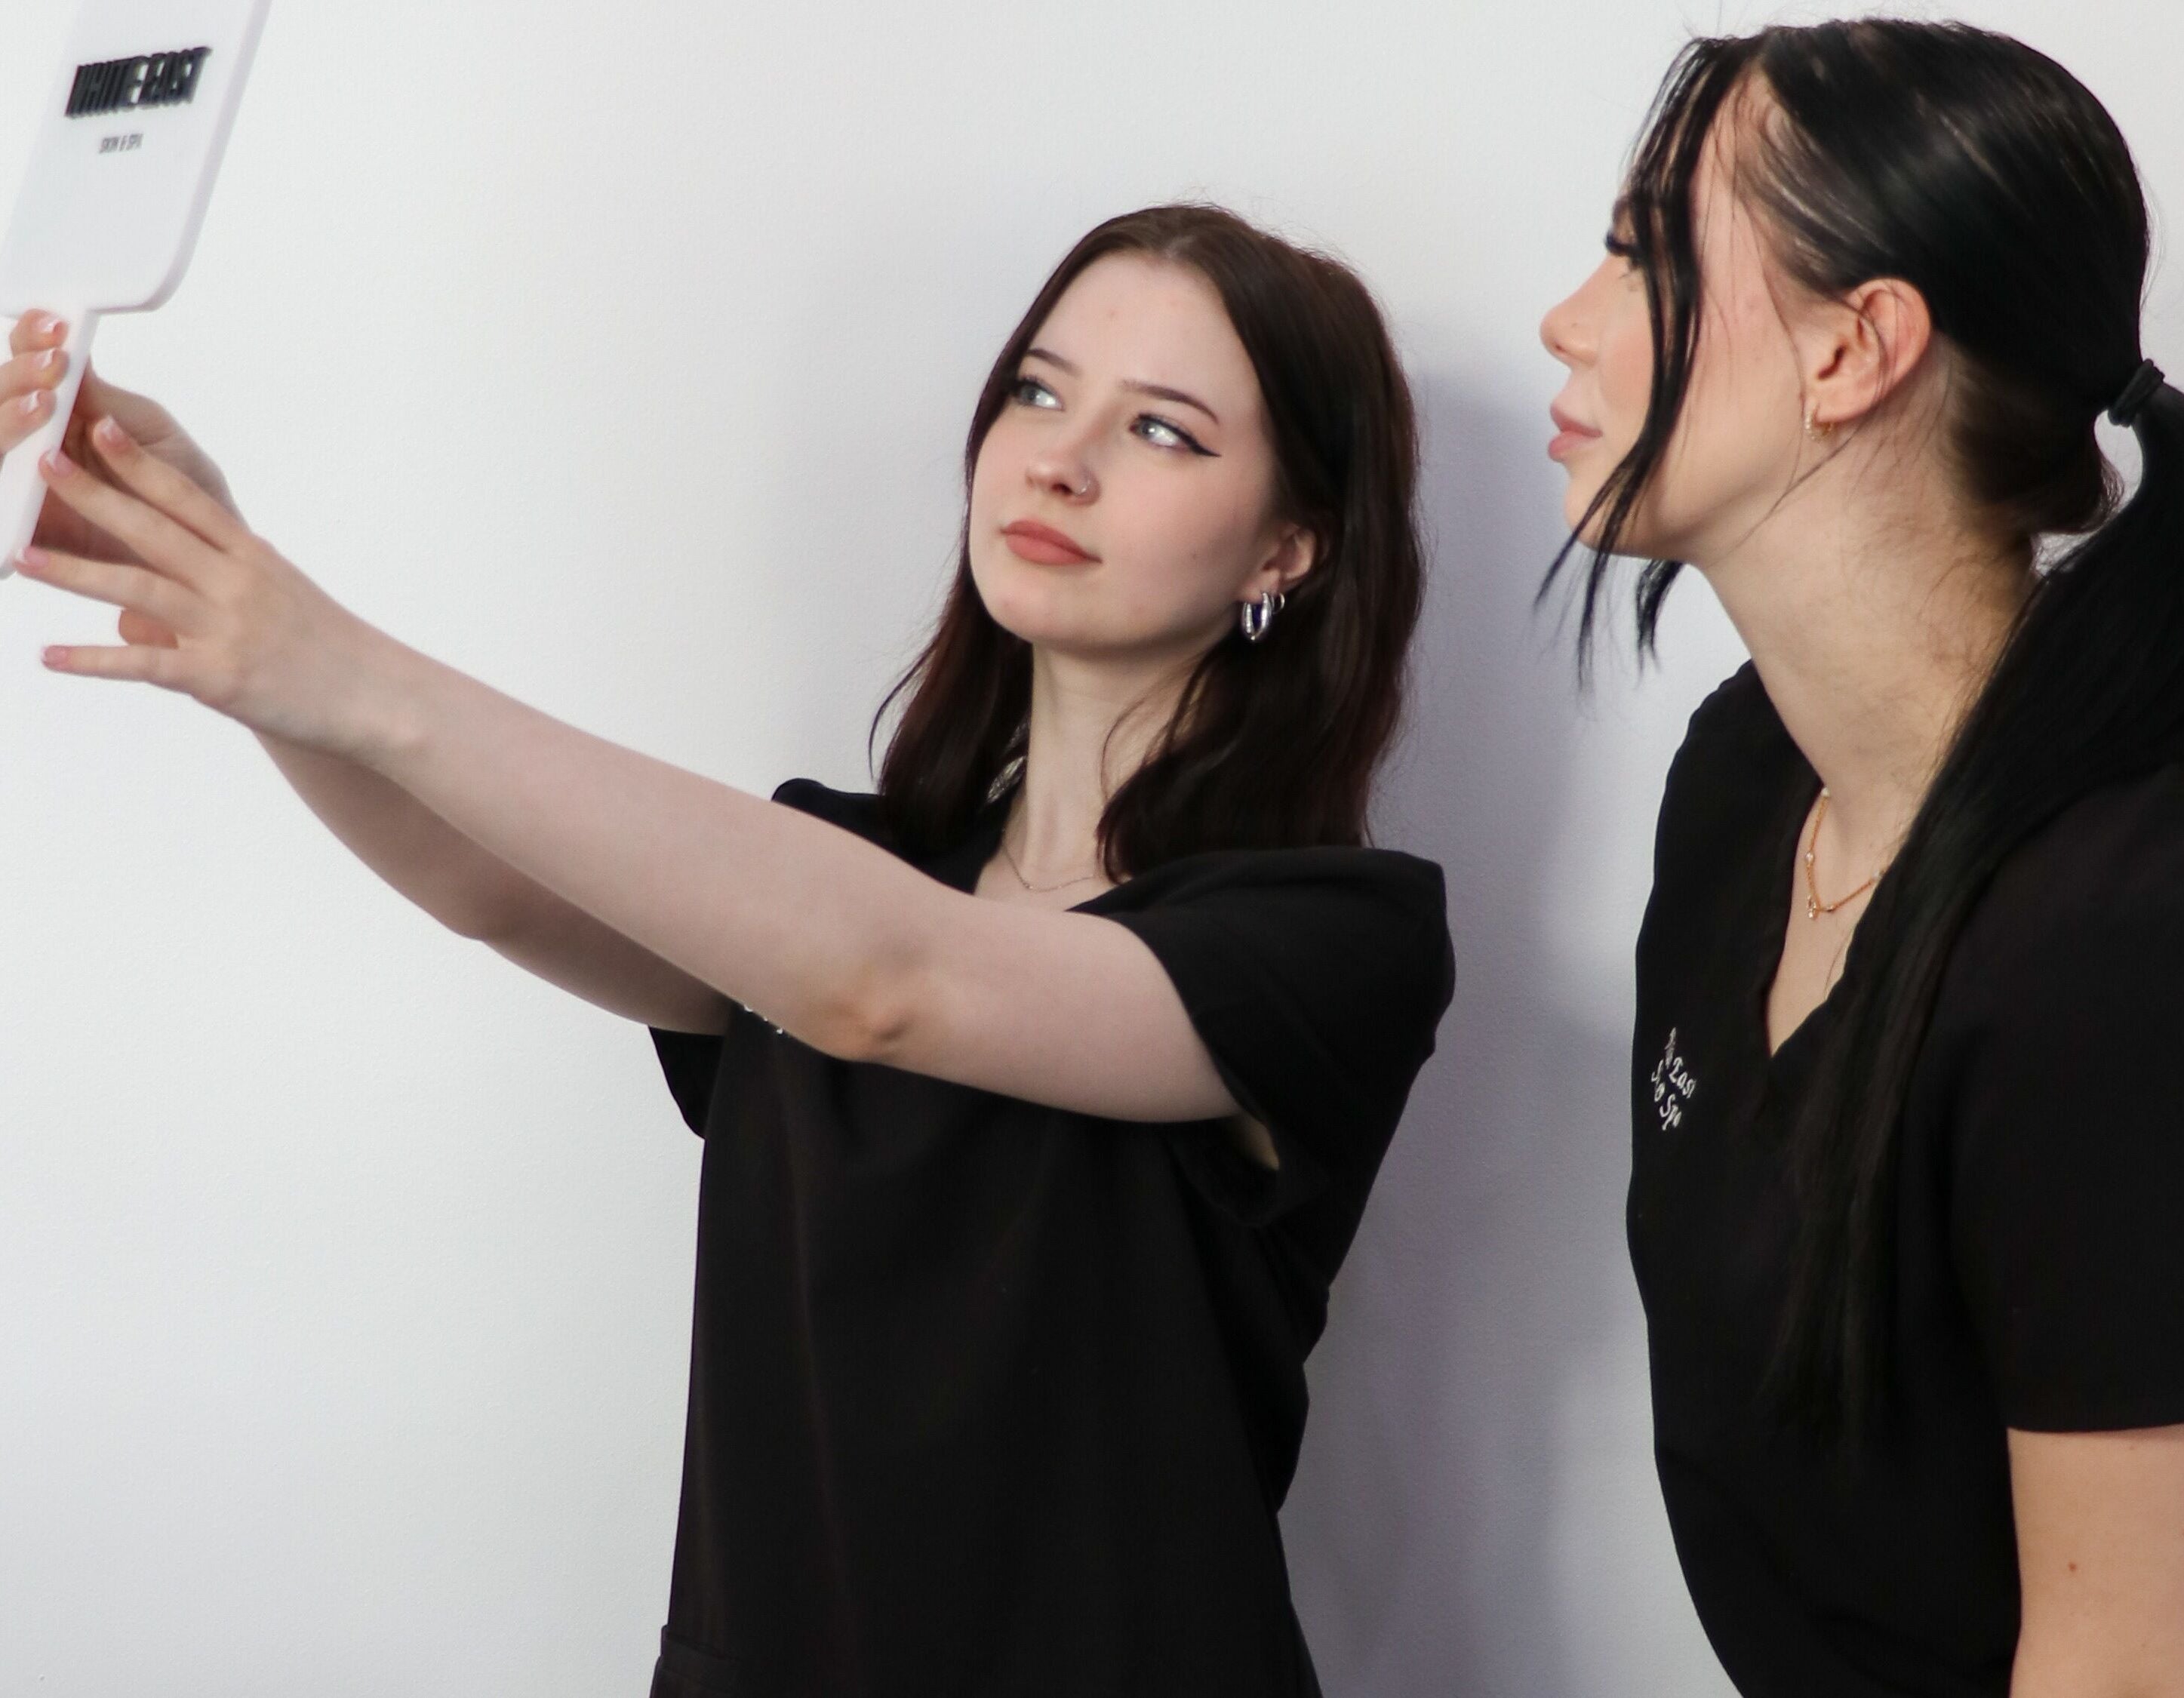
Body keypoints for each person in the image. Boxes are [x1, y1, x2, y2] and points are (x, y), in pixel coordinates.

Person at [0, 202, 1453, 1696]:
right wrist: (212, 589)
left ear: (1288, 543)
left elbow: (889, 991)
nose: (1055, 458)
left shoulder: (1332, 943)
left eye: (1160, 432)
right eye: (1036, 388)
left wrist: (338, 661)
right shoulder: (848, 863)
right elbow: (478, 880)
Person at [1540, 20, 2184, 1698]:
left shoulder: (2144, 932)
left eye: (1637, 253)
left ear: (1855, 351)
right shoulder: (1740, 784)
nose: (1566, 318)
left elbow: (2124, 1673)